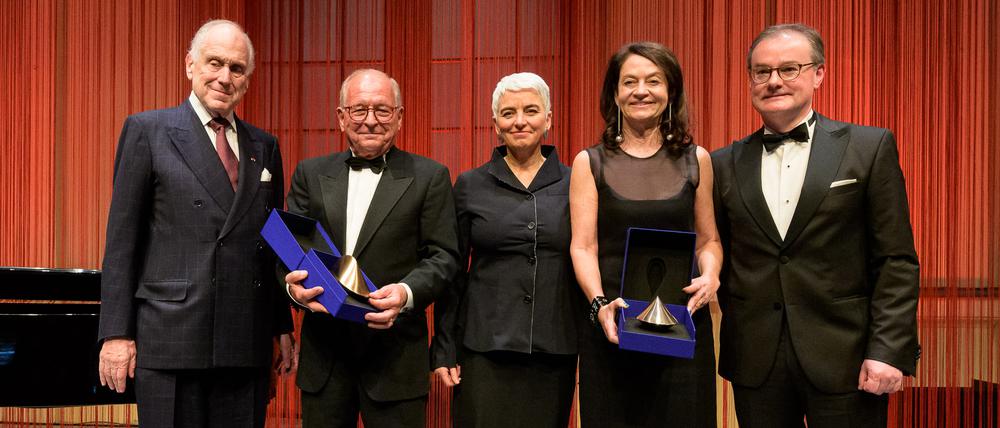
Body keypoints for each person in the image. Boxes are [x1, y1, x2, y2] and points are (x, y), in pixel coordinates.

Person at [711, 23, 920, 428]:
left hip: (849, 359)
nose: (774, 81)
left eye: (789, 69)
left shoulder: (868, 148)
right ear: (750, 80)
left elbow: (895, 260)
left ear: (818, 74)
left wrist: (888, 350)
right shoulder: (722, 164)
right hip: (757, 364)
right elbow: (713, 251)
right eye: (762, 71)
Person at [97, 19, 295, 428]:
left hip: (245, 341)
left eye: (237, 69)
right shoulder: (148, 131)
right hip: (170, 339)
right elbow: (121, 243)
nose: (224, 77)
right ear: (190, 65)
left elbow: (274, 244)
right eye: (214, 63)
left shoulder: (265, 146)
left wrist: (281, 328)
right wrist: (115, 335)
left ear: (247, 79)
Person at [282, 68, 459, 428]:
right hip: (325, 362)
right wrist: (294, 290)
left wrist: (407, 293)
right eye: (359, 110)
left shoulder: (431, 176)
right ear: (341, 116)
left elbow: (444, 256)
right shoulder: (309, 173)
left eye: (382, 110)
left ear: (399, 116)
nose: (370, 121)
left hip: (395, 360)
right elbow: (288, 250)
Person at [569, 41, 722, 427]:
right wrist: (598, 304)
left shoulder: (697, 159)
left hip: (681, 324)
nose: (641, 91)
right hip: (613, 327)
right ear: (615, 94)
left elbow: (709, 240)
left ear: (670, 91)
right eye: (629, 82)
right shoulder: (590, 162)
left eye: (653, 81)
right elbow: (583, 247)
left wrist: (711, 274)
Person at [431, 72, 580, 427]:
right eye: (508, 113)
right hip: (484, 346)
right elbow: (451, 272)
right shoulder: (470, 184)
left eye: (531, 110)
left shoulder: (577, 181)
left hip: (554, 346)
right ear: (495, 123)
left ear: (549, 118)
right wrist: (445, 348)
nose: (520, 121)